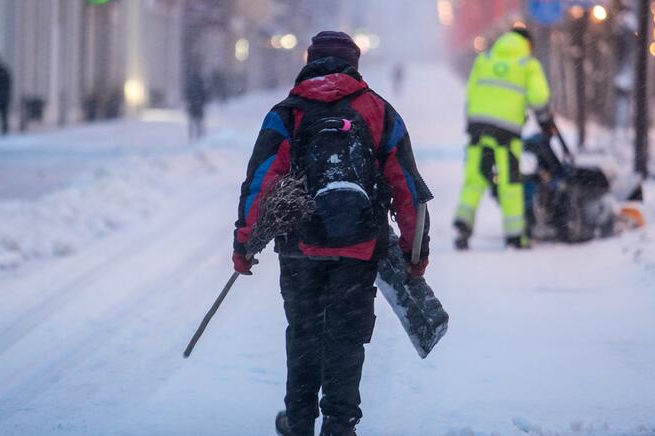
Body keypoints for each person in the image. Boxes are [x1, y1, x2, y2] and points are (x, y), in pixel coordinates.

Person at [231, 31, 431, 436]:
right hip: (358, 247)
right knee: (347, 336)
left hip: (300, 246)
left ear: (309, 61)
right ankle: (340, 424)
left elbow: (260, 181)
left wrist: (245, 242)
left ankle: (300, 422)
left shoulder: (286, 113)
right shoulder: (377, 111)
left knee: (303, 333)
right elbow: (408, 188)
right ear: (354, 65)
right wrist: (414, 253)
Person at [453, 26, 557, 250]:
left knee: (475, 178)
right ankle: (515, 236)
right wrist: (545, 122)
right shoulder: (527, 64)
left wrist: (473, 123)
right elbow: (539, 98)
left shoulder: (485, 59)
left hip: (478, 128)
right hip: (507, 132)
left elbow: (471, 92)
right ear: (528, 44)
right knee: (511, 183)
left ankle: (463, 225)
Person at [185, 70, 207, 140]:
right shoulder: (201, 85)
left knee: (193, 122)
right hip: (198, 106)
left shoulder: (191, 85)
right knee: (198, 122)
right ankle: (198, 136)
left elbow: (187, 94)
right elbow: (204, 95)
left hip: (193, 106)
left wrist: (190, 101)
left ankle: (192, 136)